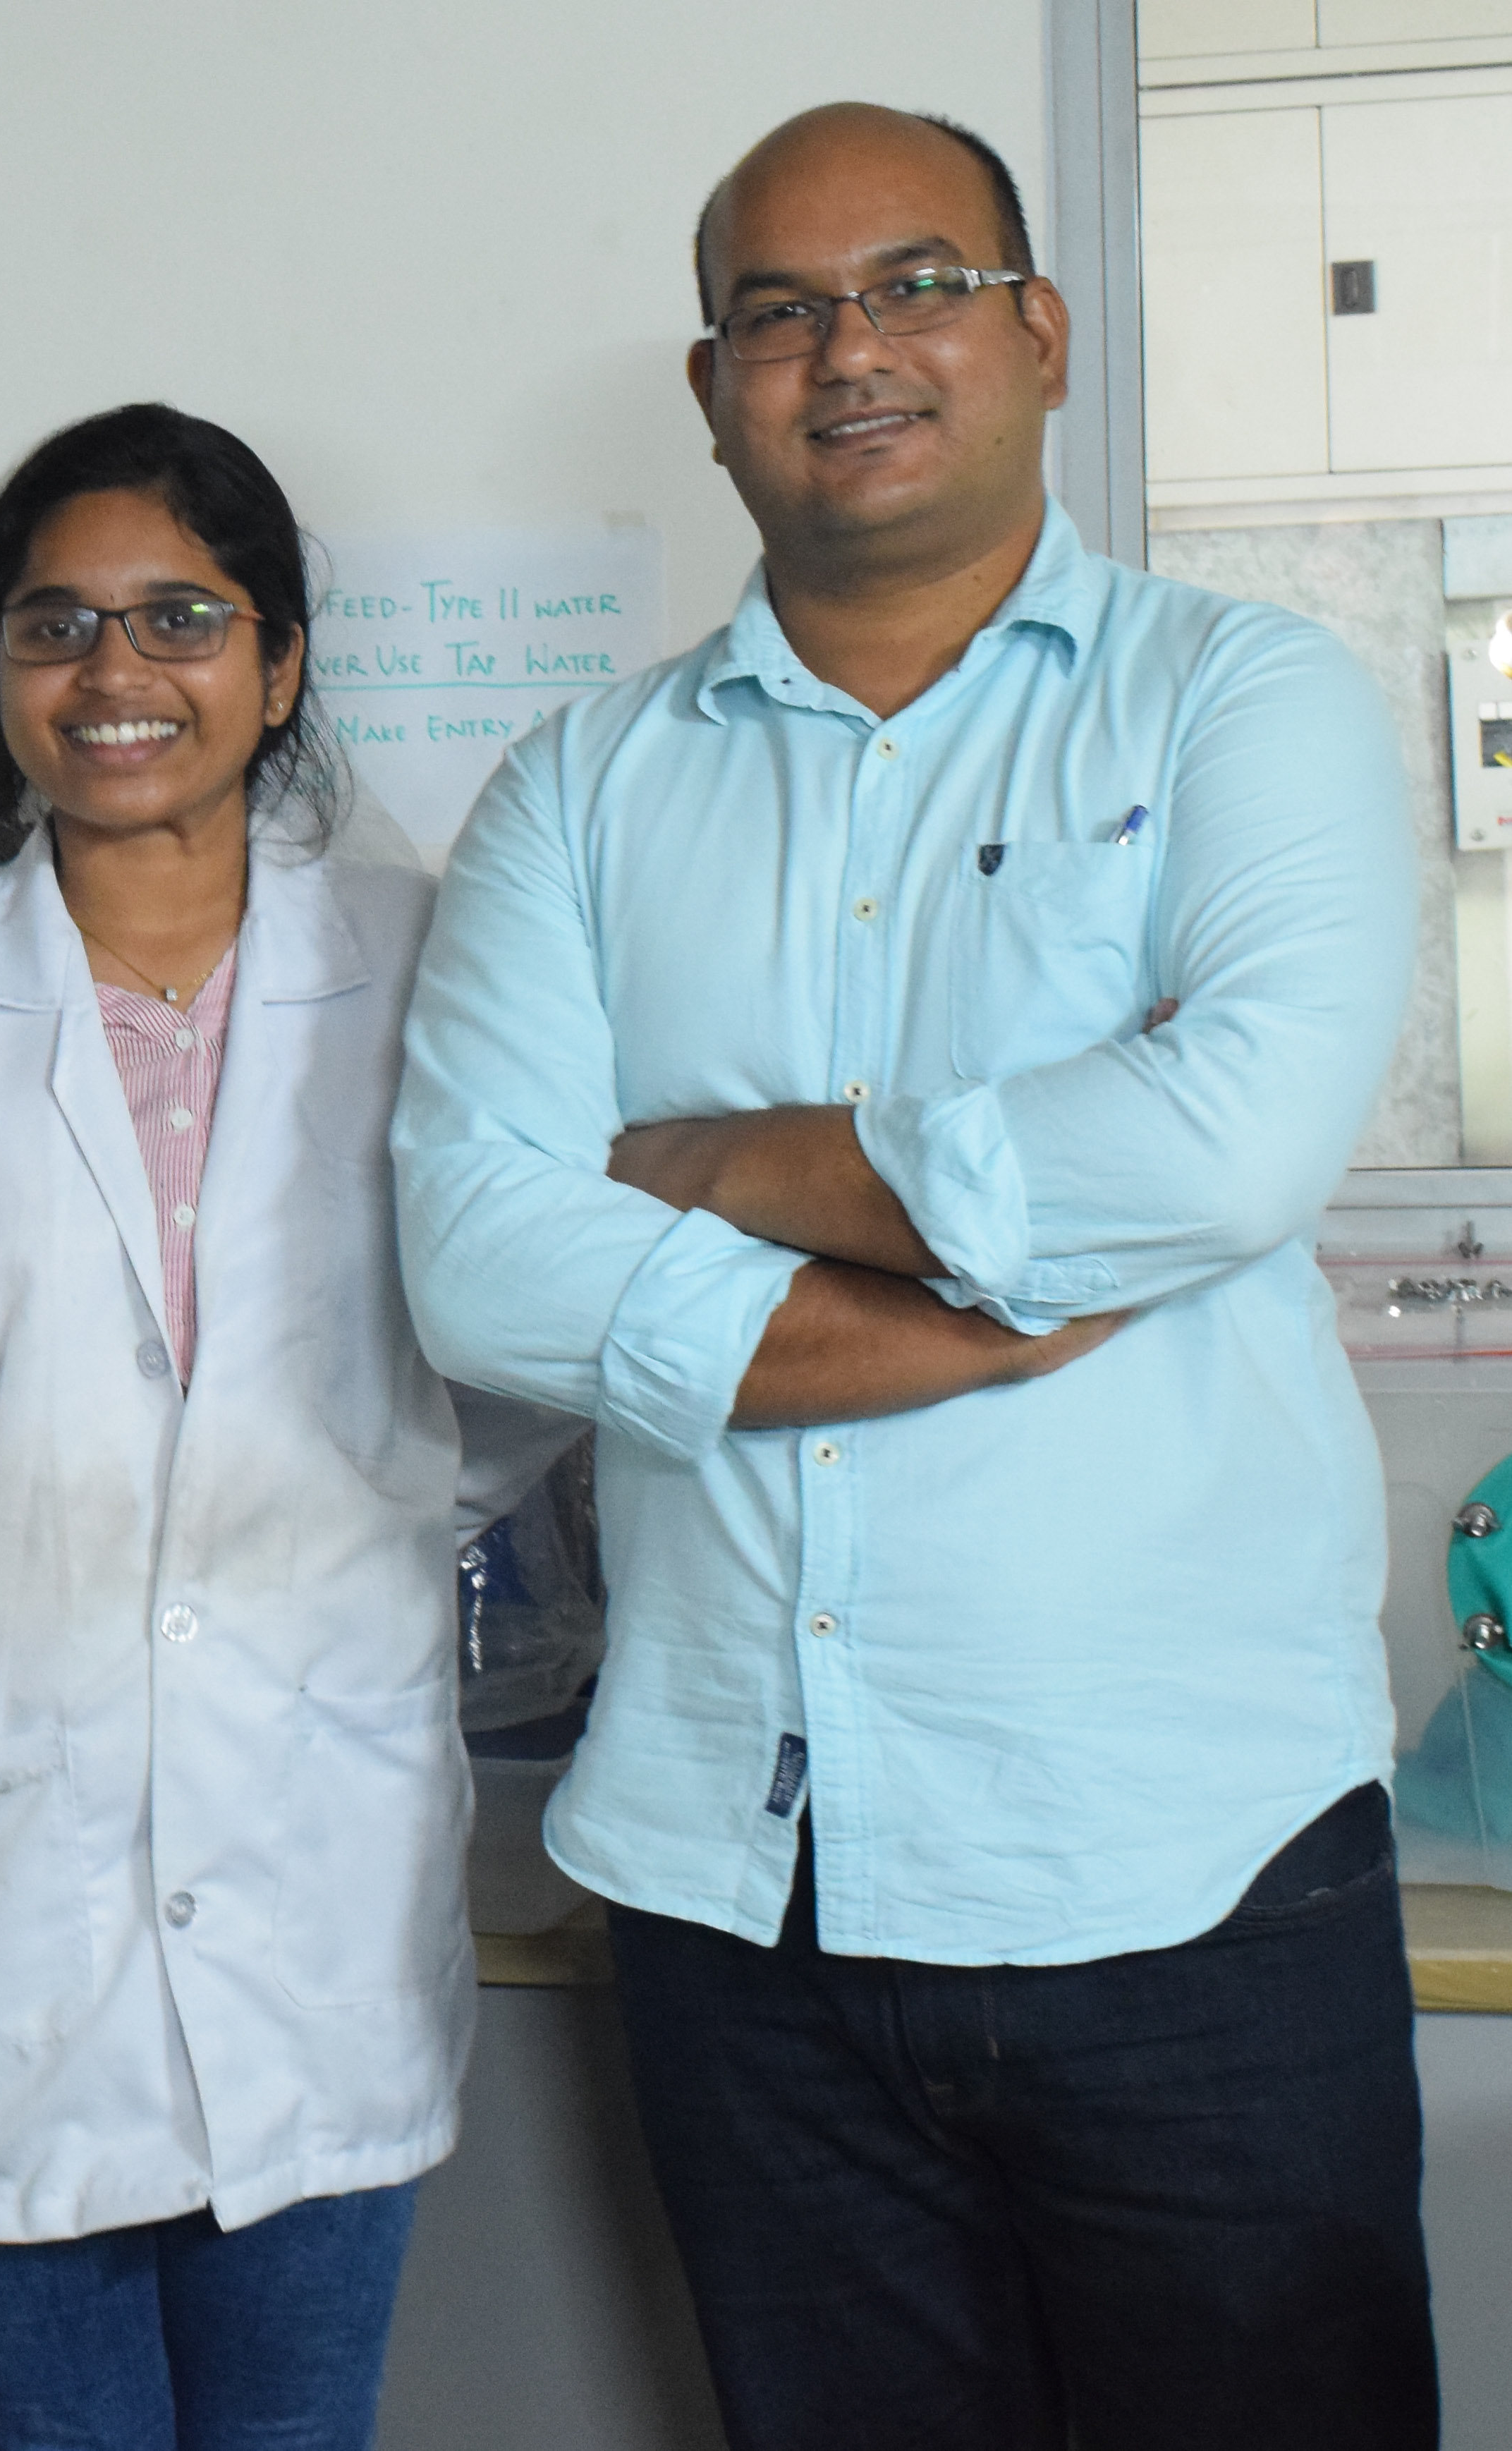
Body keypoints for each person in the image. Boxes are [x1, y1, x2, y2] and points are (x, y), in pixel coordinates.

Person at [391, 103, 1432, 2451]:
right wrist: (985, 1296)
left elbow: (1232, 1135)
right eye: (781, 310)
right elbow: (478, 1252)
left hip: (1189, 1880)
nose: (850, 347)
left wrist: (734, 1159)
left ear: (1040, 334)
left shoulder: (1232, 703)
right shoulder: (580, 789)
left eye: (918, 284)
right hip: (742, 1904)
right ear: (713, 383)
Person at [0, 402, 565, 2451]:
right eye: (57, 624)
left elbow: (527, 1356)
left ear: (281, 662)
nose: (115, 672)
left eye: (178, 616)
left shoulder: (433, 971)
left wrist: (350, 1490)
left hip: (311, 1881)